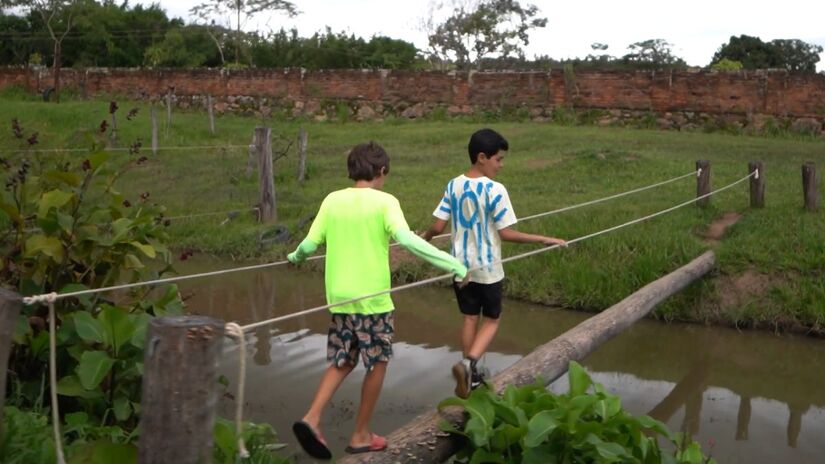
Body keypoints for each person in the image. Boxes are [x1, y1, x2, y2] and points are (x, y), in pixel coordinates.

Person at [287, 141, 468, 460]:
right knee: (378, 361)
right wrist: (452, 264)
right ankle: (360, 434)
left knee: (342, 359)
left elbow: (310, 243)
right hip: (372, 300)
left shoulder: (332, 199)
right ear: (381, 171)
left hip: (340, 298)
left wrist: (296, 256)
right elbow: (409, 240)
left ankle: (311, 418)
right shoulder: (385, 202)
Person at [421, 128, 567, 399]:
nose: (501, 165)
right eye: (498, 159)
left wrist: (424, 238)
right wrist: (542, 238)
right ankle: (468, 365)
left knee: (468, 318)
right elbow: (506, 233)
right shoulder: (495, 189)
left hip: (460, 268)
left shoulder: (453, 184)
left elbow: (438, 226)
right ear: (481, 158)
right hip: (487, 269)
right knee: (492, 320)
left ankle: (470, 376)